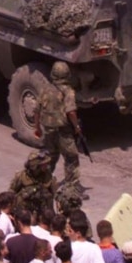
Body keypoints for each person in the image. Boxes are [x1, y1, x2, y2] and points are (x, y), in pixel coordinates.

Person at [33, 61, 85, 199]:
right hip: (64, 131)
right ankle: (71, 190)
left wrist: (37, 127)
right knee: (71, 159)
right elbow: (71, 112)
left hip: (49, 130)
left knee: (50, 157)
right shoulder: (68, 91)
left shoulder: (45, 89)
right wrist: (76, 127)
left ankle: (42, 185)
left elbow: (36, 110)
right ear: (67, 75)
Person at [10, 153, 57, 219]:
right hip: (24, 213)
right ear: (35, 167)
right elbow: (11, 192)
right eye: (44, 165)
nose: (47, 166)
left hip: (42, 214)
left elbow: (56, 195)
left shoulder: (49, 177)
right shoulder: (22, 176)